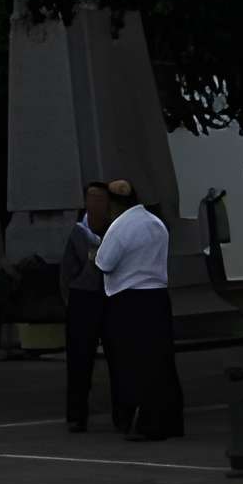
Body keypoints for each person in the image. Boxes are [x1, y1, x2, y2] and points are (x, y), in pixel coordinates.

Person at [92, 176, 183, 441]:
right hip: (157, 296)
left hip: (128, 299)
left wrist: (93, 254)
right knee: (162, 361)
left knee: (135, 363)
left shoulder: (120, 227)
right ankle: (171, 420)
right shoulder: (155, 223)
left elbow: (104, 263)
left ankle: (146, 423)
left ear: (113, 204)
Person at [62, 180, 116, 432]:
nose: (95, 203)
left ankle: (122, 413)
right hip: (83, 297)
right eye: (91, 198)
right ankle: (76, 414)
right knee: (80, 359)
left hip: (111, 295)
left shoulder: (115, 230)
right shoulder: (78, 232)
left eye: (100, 198)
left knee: (118, 356)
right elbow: (66, 274)